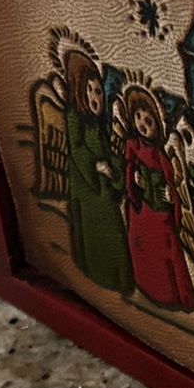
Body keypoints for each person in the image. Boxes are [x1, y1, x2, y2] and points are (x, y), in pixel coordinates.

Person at [62, 51, 132, 295]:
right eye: (90, 90)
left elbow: (106, 150)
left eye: (98, 91)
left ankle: (119, 281)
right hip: (87, 189)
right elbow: (76, 147)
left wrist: (115, 169)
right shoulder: (74, 117)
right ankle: (104, 278)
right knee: (99, 231)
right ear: (80, 91)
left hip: (101, 187)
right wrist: (95, 166)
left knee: (113, 229)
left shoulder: (97, 125)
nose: (95, 97)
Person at [122, 85, 194, 311]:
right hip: (142, 210)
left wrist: (169, 198)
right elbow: (127, 171)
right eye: (139, 118)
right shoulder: (132, 147)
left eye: (149, 121)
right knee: (143, 248)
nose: (143, 124)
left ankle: (172, 297)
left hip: (159, 214)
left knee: (165, 254)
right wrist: (134, 181)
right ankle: (145, 285)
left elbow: (173, 187)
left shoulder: (161, 156)